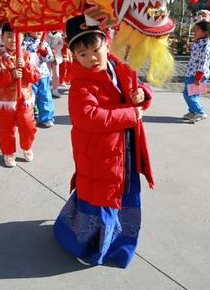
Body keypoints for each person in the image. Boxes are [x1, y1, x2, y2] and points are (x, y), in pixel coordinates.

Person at [53, 14, 154, 268]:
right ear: (74, 56)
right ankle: (87, 248)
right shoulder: (80, 85)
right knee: (100, 200)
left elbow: (136, 91)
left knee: (120, 195)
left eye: (95, 49)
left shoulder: (119, 66)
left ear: (106, 43)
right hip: (99, 154)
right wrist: (130, 114)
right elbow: (89, 118)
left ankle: (116, 241)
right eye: (82, 54)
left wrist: (142, 94)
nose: (91, 58)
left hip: (124, 150)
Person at [0, 23, 40, 167]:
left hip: (24, 99)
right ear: (2, 38)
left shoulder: (29, 56)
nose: (13, 40)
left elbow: (35, 77)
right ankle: (8, 152)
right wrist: (10, 74)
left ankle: (26, 146)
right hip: (5, 101)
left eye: (16, 36)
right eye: (9, 36)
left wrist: (26, 67)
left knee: (28, 126)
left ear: (23, 37)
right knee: (6, 129)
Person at [183, 20, 210, 123]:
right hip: (192, 73)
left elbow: (202, 63)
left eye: (196, 30)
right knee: (193, 95)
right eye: (194, 30)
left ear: (205, 32)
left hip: (197, 75)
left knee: (188, 94)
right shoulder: (199, 42)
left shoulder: (205, 46)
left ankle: (200, 112)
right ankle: (193, 112)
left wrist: (198, 78)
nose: (194, 32)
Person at [23, 32, 55, 128]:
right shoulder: (24, 43)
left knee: (45, 96)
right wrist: (32, 54)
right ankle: (30, 117)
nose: (38, 31)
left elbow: (49, 58)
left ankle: (46, 118)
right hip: (30, 75)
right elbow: (22, 56)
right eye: (35, 28)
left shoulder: (44, 43)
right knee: (30, 97)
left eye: (40, 29)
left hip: (43, 74)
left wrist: (44, 51)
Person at [46, 31, 64, 98]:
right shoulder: (45, 34)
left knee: (56, 74)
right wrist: (48, 49)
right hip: (46, 56)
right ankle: (46, 89)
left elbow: (61, 44)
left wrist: (55, 49)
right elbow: (43, 43)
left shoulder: (59, 35)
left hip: (56, 56)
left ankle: (55, 90)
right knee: (46, 73)